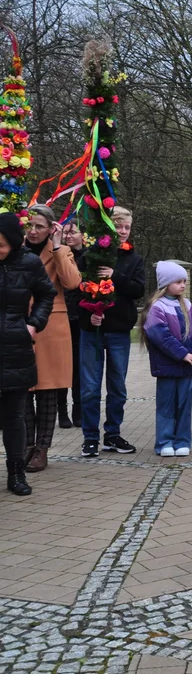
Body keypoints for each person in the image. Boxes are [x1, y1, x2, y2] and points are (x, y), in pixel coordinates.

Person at [79, 205, 145, 458]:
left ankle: (113, 434)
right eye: (118, 226)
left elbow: (137, 290)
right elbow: (78, 288)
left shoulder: (134, 259)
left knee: (117, 386)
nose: (124, 231)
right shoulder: (90, 256)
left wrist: (115, 275)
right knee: (90, 388)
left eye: (127, 227)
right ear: (108, 227)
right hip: (92, 331)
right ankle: (90, 437)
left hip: (118, 331)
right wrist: (88, 315)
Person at [22, 205, 81, 472]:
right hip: (19, 324)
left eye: (39, 226)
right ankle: (25, 446)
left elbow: (71, 282)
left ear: (50, 229)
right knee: (22, 390)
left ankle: (42, 450)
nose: (33, 231)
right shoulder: (12, 248)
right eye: (29, 225)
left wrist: (57, 248)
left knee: (46, 392)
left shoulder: (62, 251)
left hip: (51, 327)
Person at [0, 212, 56, 495]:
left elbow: (48, 294)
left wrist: (34, 324)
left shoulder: (29, 263)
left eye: (1, 245)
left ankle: (16, 474)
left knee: (14, 417)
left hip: (16, 350)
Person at [142, 261, 192, 457]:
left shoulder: (186, 305)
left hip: (188, 366)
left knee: (184, 405)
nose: (183, 285)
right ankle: (164, 442)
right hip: (167, 367)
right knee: (166, 406)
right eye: (178, 281)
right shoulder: (157, 307)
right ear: (166, 283)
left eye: (184, 281)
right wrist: (183, 354)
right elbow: (161, 336)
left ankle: (182, 441)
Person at [60, 221, 84, 429]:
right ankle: (61, 411)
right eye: (65, 233)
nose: (68, 236)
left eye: (73, 232)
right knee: (60, 367)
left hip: (79, 319)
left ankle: (78, 410)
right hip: (61, 317)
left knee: (78, 367)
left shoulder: (88, 257)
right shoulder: (57, 255)